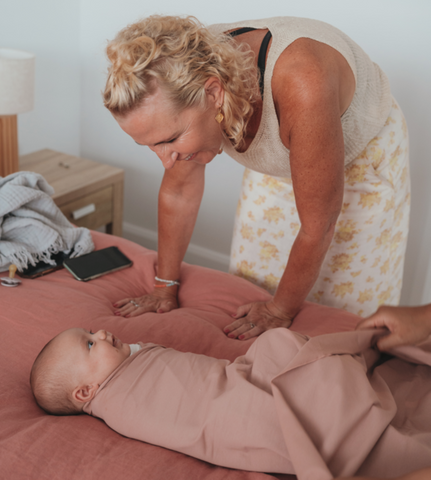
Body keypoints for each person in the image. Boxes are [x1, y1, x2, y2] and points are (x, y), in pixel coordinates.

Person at [105, 15, 410, 338]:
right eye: (151, 146)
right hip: (284, 142)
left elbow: (318, 227)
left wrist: (280, 310)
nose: (166, 160)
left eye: (168, 141)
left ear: (214, 93)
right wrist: (164, 287)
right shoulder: (175, 84)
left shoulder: (304, 84)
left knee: (345, 312)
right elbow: (179, 193)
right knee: (254, 286)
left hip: (359, 157)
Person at [30, 325, 431, 479]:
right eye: (89, 343)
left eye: (91, 332)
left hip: (235, 380)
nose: (101, 332)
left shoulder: (120, 368)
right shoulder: (121, 399)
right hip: (234, 411)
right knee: (282, 353)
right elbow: (201, 413)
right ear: (86, 394)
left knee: (275, 345)